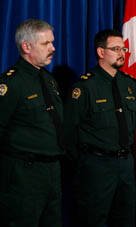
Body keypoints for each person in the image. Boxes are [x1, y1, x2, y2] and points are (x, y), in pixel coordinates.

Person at [64, 29, 136, 226]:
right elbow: (69, 130)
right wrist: (85, 161)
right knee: (92, 219)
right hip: (96, 166)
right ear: (101, 52)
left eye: (123, 49)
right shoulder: (85, 86)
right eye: (116, 49)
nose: (122, 53)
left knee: (126, 219)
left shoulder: (129, 84)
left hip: (126, 164)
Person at [0, 19, 64, 226]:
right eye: (46, 44)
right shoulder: (11, 83)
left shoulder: (49, 80)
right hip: (23, 175)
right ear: (26, 47)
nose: (53, 48)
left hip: (52, 172)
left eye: (52, 42)